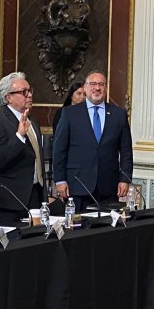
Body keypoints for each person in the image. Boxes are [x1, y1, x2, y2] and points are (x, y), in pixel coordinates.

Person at [52, 70, 133, 212]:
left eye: (101, 84)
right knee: (78, 225)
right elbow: (59, 150)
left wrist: (125, 179)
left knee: (106, 225)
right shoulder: (70, 113)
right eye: (93, 84)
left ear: (106, 88)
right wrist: (60, 180)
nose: (97, 88)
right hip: (77, 185)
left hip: (108, 186)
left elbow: (126, 151)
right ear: (85, 87)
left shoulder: (118, 115)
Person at [0, 72, 46, 225]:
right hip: (9, 199)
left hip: (34, 195)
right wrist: (19, 135)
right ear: (8, 97)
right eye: (24, 92)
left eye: (30, 90)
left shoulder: (33, 121)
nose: (30, 95)